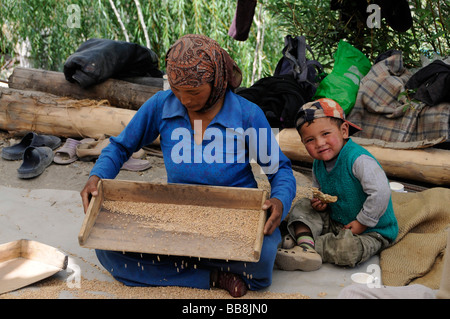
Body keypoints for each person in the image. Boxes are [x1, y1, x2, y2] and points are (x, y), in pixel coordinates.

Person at [80, 34, 297, 297]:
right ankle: (213, 275)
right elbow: (120, 146)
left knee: (261, 262)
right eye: (177, 90)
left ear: (216, 81)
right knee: (108, 250)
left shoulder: (247, 114)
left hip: (236, 215)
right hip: (177, 213)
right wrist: (97, 176)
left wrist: (280, 201)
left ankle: (176, 263)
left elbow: (280, 171)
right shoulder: (162, 105)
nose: (184, 100)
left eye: (193, 92)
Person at [275, 98, 398, 271]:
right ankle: (305, 243)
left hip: (372, 230)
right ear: (303, 143)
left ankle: (306, 244)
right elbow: (320, 191)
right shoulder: (318, 164)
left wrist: (362, 222)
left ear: (344, 130)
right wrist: (320, 206)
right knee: (303, 205)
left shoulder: (358, 160)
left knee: (348, 250)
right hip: (337, 221)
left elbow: (381, 192)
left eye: (325, 134)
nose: (319, 143)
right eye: (310, 140)